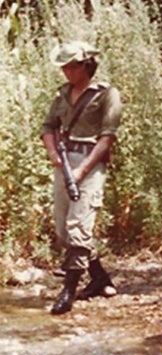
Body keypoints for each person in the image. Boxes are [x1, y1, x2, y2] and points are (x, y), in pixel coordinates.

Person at [41, 40, 121, 315]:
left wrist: (83, 169)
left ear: (86, 65)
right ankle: (99, 278)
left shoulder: (106, 94)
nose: (67, 72)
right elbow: (49, 126)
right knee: (64, 230)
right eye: (64, 67)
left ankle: (68, 292)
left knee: (79, 225)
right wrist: (53, 153)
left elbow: (107, 136)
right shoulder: (62, 94)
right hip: (64, 162)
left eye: (72, 66)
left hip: (91, 163)